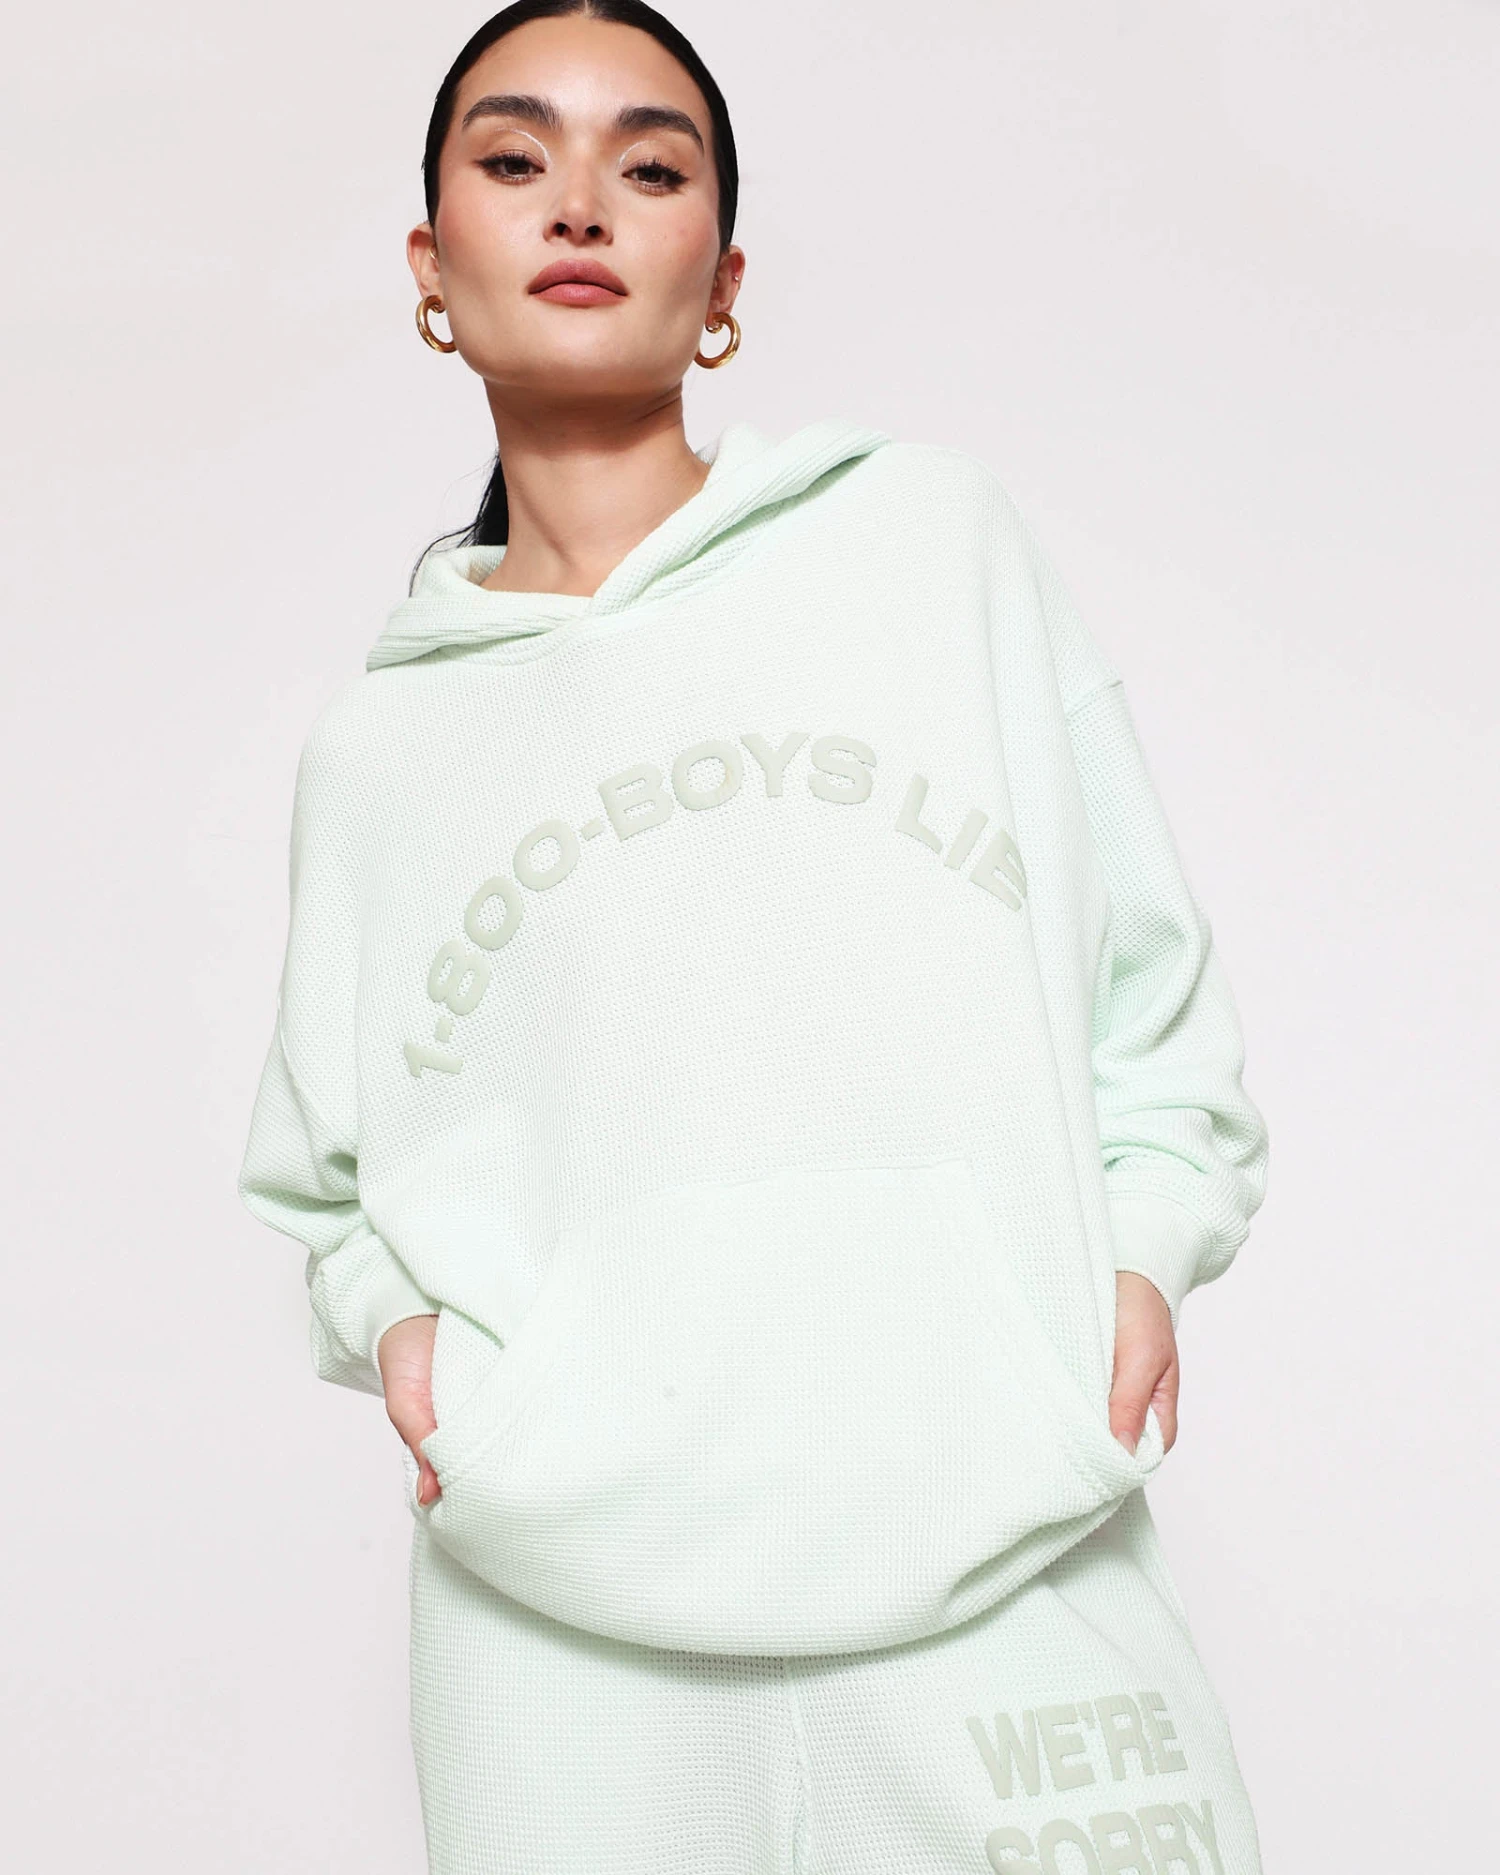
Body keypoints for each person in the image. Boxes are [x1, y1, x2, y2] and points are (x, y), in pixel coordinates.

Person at [236, 4, 1271, 1871]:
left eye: (649, 167)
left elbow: (1156, 1006)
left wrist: (1136, 1264)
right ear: (431, 272)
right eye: (513, 158)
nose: (579, 203)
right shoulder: (381, 751)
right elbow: (327, 1178)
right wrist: (410, 1340)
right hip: (560, 1623)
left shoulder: (934, 548)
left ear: (722, 284)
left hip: (1004, 1538)